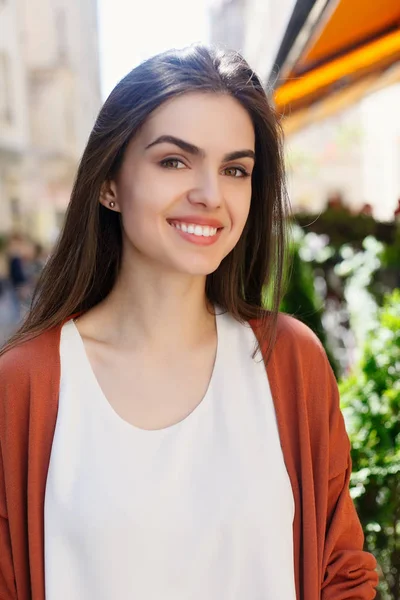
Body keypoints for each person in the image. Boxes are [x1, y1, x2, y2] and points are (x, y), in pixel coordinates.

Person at [0, 45, 378, 600]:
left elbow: (342, 573)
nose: (209, 195)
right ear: (108, 183)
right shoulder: (25, 385)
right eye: (174, 160)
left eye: (235, 169)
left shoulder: (289, 360)